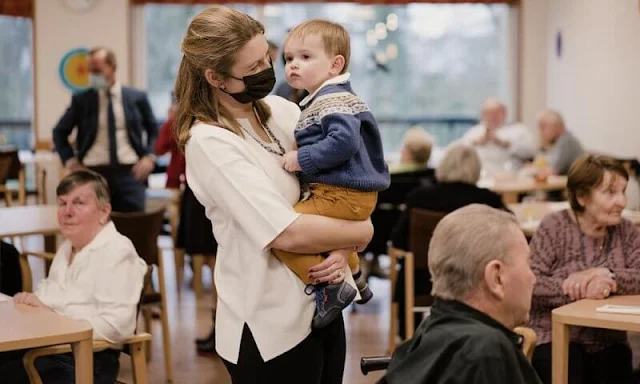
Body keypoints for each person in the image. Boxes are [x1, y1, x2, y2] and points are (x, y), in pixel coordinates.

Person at [174, 6, 373, 383]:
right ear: (215, 77)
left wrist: (342, 250)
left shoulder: (283, 111)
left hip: (325, 300)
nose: (268, 70)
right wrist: (361, 234)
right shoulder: (209, 142)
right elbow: (285, 232)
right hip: (269, 324)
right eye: (252, 68)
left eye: (267, 57)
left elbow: (342, 182)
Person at [276, 18, 390, 328]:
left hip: (341, 194)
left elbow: (344, 141)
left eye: (305, 57)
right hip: (351, 194)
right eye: (288, 59)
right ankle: (355, 277)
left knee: (281, 234)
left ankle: (331, 288)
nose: (293, 65)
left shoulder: (332, 99)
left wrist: (302, 159)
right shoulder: (326, 97)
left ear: (335, 64)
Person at [0, 170, 148, 384]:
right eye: (62, 203)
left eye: (78, 203)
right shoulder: (69, 247)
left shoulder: (117, 251)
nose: (67, 212)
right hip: (49, 349)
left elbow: (117, 326)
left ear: (104, 211)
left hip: (86, 361)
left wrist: (53, 316)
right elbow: (49, 295)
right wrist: (32, 302)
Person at [382, 204, 541, 384]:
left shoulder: (432, 331)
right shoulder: (486, 354)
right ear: (496, 277)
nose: (533, 278)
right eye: (528, 263)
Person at [529, 154, 640, 384]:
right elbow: (531, 283)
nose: (621, 201)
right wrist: (576, 287)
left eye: (623, 191)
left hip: (608, 340)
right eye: (610, 192)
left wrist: (608, 275)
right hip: (554, 336)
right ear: (581, 196)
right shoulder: (554, 227)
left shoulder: (627, 231)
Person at [390, 143, 509, 338]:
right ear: (476, 169)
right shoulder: (488, 200)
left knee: (407, 265)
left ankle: (407, 338)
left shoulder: (418, 197)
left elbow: (398, 241)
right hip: (474, 281)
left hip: (423, 280)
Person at [52, 47, 158, 212]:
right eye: (90, 71)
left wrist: (149, 157)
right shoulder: (82, 100)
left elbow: (154, 129)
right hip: (93, 174)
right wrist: (71, 162)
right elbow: (59, 132)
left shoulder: (136, 98)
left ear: (112, 67)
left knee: (135, 229)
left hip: (130, 173)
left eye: (97, 71)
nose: (93, 76)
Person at [154, 97, 218, 355]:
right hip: (195, 190)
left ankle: (222, 329)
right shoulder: (183, 122)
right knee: (212, 260)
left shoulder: (211, 118)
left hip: (210, 191)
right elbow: (163, 147)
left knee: (218, 263)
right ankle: (218, 329)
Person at [463, 98, 536, 174]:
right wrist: (476, 142)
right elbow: (460, 153)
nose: (492, 116)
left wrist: (506, 144)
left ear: (505, 113)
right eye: (488, 113)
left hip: (511, 176)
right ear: (482, 115)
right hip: (480, 176)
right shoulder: (473, 132)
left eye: (496, 113)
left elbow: (531, 152)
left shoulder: (519, 130)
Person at [534, 109, 583, 176]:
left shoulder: (566, 141)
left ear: (557, 126)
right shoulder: (560, 141)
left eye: (543, 126)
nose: (541, 132)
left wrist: (532, 171)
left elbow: (554, 170)